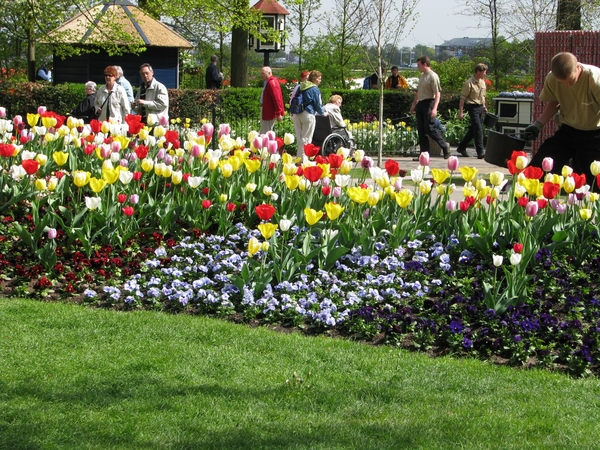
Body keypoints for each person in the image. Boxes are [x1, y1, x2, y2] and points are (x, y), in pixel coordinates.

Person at [527, 52, 600, 187]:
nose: (567, 85)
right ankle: (522, 202)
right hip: (568, 131)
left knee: (595, 180)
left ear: (578, 68)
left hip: (594, 134)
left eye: (570, 81)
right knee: (537, 168)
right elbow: (554, 101)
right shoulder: (552, 78)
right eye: (562, 82)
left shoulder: (595, 79)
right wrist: (538, 124)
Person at [409, 55, 450, 160]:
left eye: (419, 65)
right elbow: (418, 92)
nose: (418, 67)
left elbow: (437, 94)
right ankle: (424, 155)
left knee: (429, 129)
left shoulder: (433, 76)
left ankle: (444, 146)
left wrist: (434, 108)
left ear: (425, 64)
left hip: (429, 103)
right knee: (421, 130)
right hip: (421, 103)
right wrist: (414, 104)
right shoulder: (422, 76)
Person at [456, 63, 488, 159]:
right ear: (478, 72)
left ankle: (461, 147)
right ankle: (480, 151)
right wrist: (460, 112)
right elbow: (462, 98)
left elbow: (483, 96)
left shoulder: (482, 82)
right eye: (484, 72)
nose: (485, 74)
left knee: (473, 129)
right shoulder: (468, 83)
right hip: (472, 107)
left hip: (480, 108)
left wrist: (484, 106)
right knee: (478, 129)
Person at [296, 70, 326, 156]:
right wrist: (323, 113)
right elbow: (317, 104)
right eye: (319, 78)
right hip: (308, 114)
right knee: (306, 139)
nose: (320, 81)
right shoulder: (314, 88)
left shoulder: (301, 86)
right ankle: (303, 160)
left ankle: (299, 158)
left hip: (298, 113)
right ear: (314, 79)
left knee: (301, 138)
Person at [259, 66, 285, 134]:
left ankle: (265, 145)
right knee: (265, 131)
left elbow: (277, 99)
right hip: (266, 110)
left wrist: (279, 113)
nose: (261, 75)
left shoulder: (272, 83)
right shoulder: (268, 82)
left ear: (269, 73)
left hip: (269, 111)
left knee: (265, 132)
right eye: (261, 73)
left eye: (263, 73)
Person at [290, 70, 310, 155]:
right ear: (302, 78)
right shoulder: (311, 87)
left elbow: (292, 100)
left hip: (296, 113)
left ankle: (300, 156)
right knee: (304, 137)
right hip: (305, 113)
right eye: (306, 77)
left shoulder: (298, 87)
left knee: (300, 136)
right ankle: (303, 156)